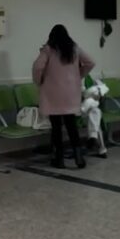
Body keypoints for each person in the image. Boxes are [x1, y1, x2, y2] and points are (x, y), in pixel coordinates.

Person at [32, 24, 95, 169]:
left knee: (56, 128)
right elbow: (90, 62)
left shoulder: (48, 50)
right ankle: (79, 158)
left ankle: (59, 159)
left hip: (53, 94)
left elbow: (37, 67)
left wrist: (39, 80)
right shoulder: (74, 49)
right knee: (71, 126)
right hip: (71, 94)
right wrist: (79, 74)